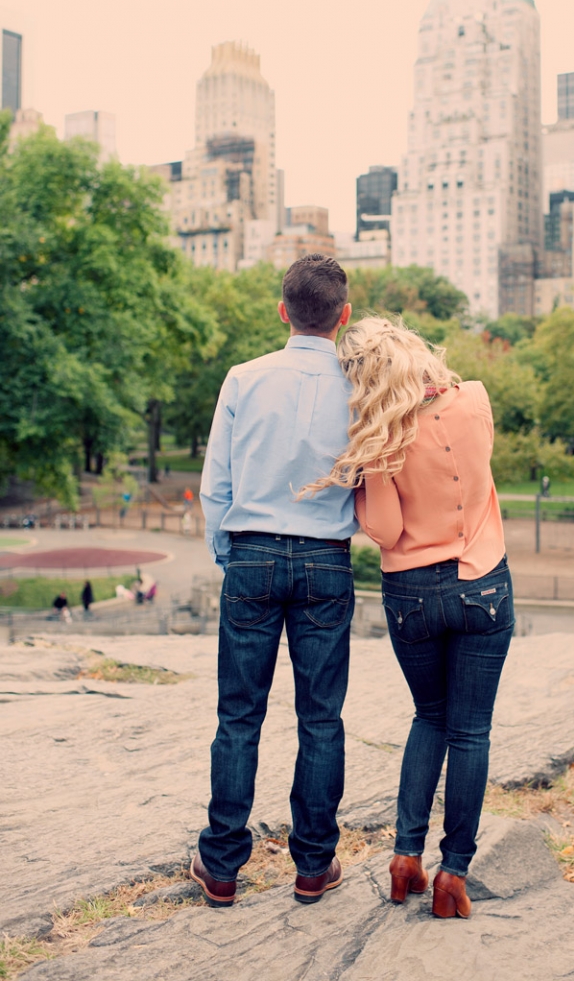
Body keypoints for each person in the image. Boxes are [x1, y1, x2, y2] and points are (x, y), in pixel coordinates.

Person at [306, 318, 514, 921]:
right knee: (471, 732)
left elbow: (386, 531)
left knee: (429, 717)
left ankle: (404, 860)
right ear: (416, 352)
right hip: (483, 583)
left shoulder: (380, 437)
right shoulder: (474, 398)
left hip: (412, 594)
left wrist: (374, 468)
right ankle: (454, 872)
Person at [192, 254, 356, 911]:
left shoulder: (243, 378)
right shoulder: (361, 386)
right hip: (326, 560)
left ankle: (223, 865)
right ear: (343, 317)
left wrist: (229, 559)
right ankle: (313, 865)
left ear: (282, 311)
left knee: (239, 716)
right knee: (321, 719)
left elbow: (215, 485)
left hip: (253, 554)